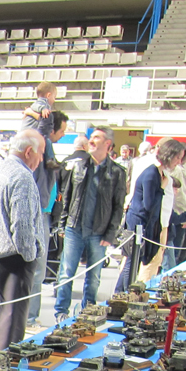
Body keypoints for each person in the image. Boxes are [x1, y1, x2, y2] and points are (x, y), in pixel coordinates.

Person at [0, 130, 45, 362]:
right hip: (12, 259)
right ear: (29, 151)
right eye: (41, 152)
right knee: (10, 324)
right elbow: (22, 225)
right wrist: (31, 256)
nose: (41, 159)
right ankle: (3, 369)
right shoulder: (22, 177)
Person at [54, 126, 126, 320]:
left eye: (96, 137)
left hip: (99, 232)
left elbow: (118, 206)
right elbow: (67, 197)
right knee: (66, 272)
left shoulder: (117, 172)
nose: (91, 140)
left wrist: (110, 234)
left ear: (108, 144)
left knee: (93, 276)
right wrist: (63, 224)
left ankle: (88, 312)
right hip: (74, 228)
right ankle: (61, 312)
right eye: (91, 137)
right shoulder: (77, 166)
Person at [118, 138, 186, 285]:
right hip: (139, 223)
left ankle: (124, 291)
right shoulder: (151, 173)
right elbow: (149, 204)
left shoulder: (159, 173)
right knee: (131, 263)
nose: (179, 162)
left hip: (148, 222)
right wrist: (162, 189)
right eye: (177, 158)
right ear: (169, 155)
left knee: (136, 261)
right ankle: (123, 292)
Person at [28, 110, 68, 328]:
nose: (63, 135)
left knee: (38, 270)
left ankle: (29, 317)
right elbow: (42, 131)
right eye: (62, 131)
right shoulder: (42, 143)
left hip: (46, 213)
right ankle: (29, 318)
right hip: (39, 213)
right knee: (37, 270)